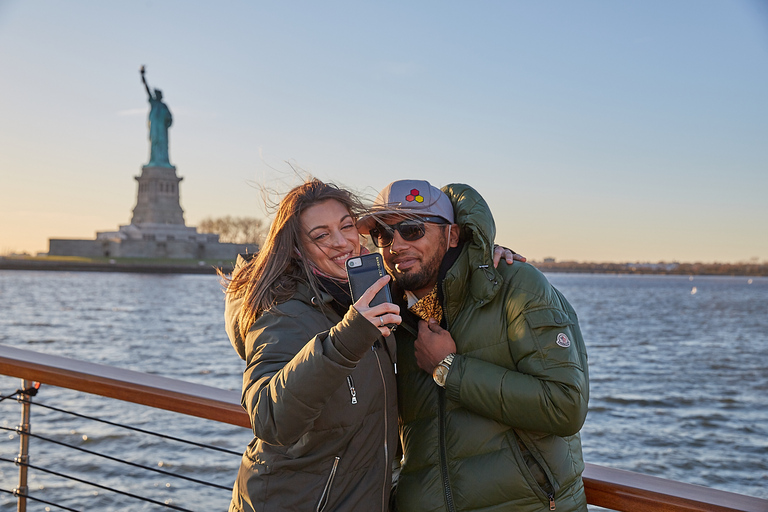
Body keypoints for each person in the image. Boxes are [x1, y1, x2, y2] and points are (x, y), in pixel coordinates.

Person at [222, 178, 519, 512]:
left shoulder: (366, 295)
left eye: (347, 227)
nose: (341, 242)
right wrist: (348, 338)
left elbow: (428, 271)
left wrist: (476, 254)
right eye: (321, 235)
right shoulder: (284, 311)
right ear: (296, 248)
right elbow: (268, 417)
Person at [358, 180, 589, 512]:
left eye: (411, 230)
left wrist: (449, 369)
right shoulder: (387, 315)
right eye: (383, 235)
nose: (395, 245)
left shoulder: (515, 285)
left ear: (452, 235)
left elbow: (566, 405)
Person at [140, 66, 173, 167]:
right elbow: (147, 90)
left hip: (162, 131)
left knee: (162, 145)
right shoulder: (154, 103)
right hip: (155, 129)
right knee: (154, 144)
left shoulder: (164, 106)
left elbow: (170, 119)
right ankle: (154, 161)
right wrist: (143, 76)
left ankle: (163, 162)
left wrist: (168, 120)